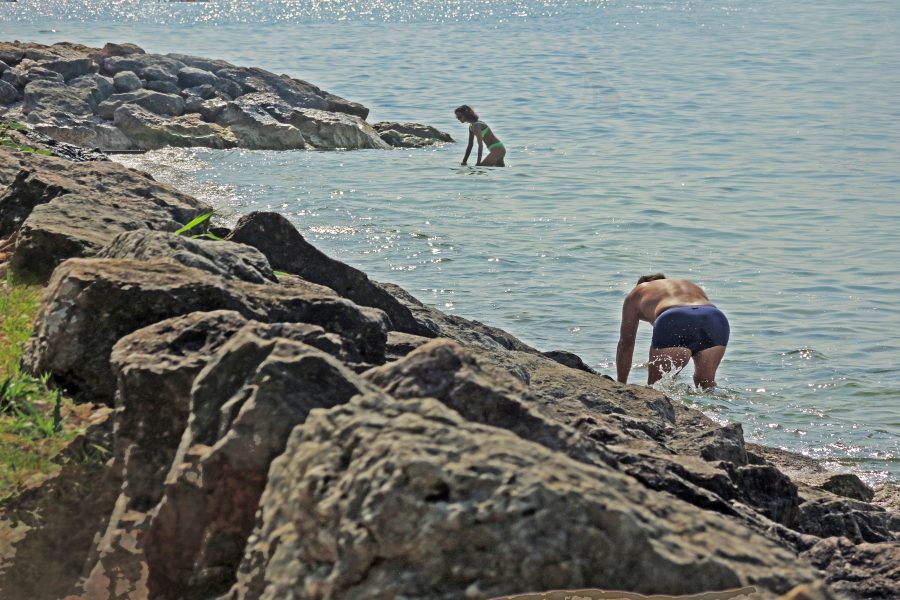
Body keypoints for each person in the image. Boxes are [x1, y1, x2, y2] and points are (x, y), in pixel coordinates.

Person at [616, 273, 729, 389]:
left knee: (656, 387)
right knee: (706, 384)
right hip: (714, 317)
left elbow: (626, 344)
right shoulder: (688, 285)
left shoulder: (638, 291)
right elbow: (694, 318)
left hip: (673, 317)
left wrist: (620, 386)